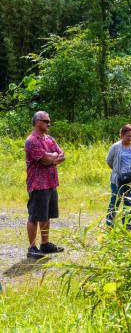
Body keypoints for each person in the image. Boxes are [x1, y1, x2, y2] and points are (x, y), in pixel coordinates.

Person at [24, 111, 66, 259]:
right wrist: (52, 157)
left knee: (46, 215)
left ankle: (45, 244)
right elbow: (45, 159)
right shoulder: (31, 141)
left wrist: (52, 157)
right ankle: (32, 247)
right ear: (37, 122)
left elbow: (62, 155)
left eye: (49, 121)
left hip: (51, 182)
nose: (49, 124)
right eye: (46, 121)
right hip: (38, 184)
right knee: (34, 216)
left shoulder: (49, 139)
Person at [105, 124, 131, 228]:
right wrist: (118, 172)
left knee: (129, 202)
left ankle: (127, 224)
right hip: (117, 180)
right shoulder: (115, 147)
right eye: (127, 136)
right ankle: (109, 223)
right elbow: (109, 161)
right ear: (122, 135)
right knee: (115, 201)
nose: (130, 138)